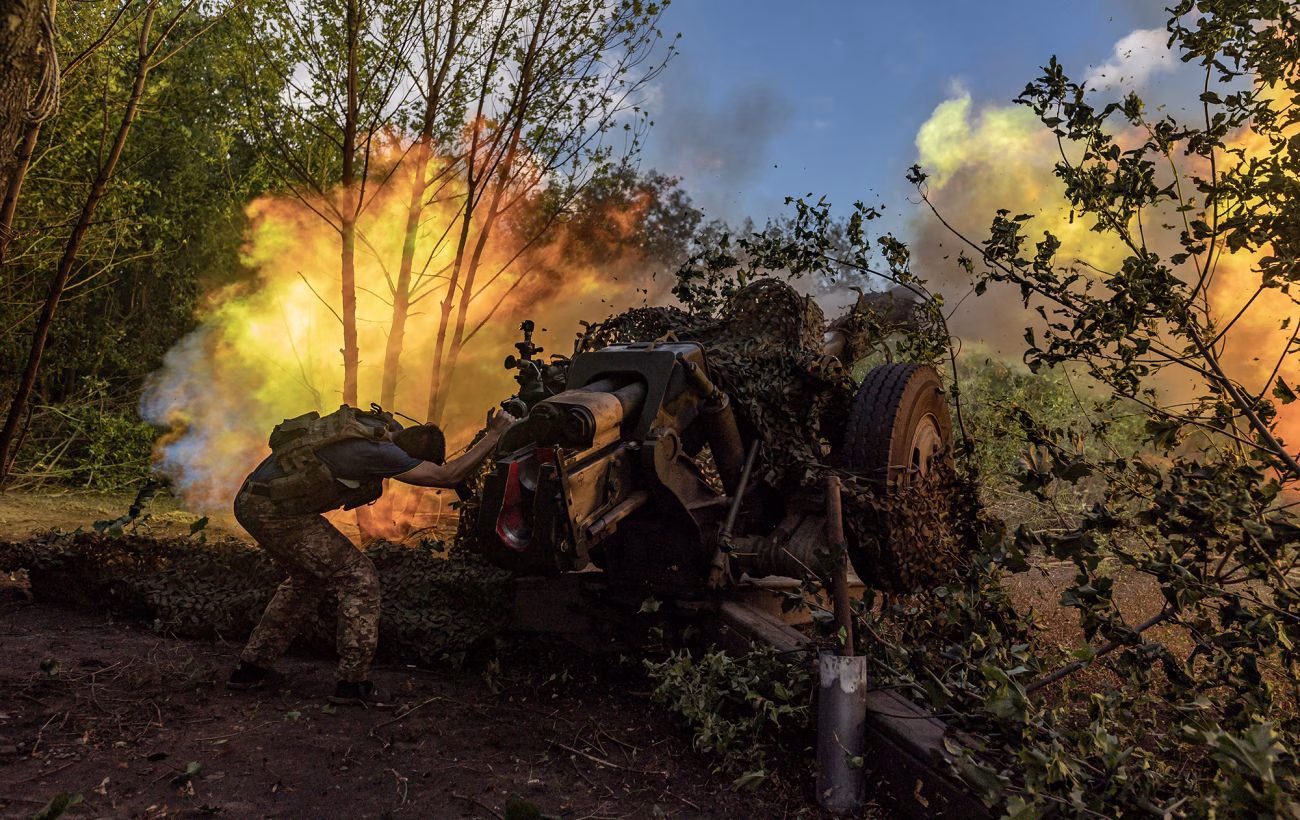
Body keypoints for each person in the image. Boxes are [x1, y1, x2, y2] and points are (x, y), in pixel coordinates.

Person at [226, 404, 517, 705]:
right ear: (411, 458)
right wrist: (494, 435)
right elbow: (446, 476)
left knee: (308, 580)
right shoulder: (382, 454)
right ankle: (352, 684)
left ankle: (250, 669)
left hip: (256, 499)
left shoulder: (385, 431)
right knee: (358, 577)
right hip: (270, 511)